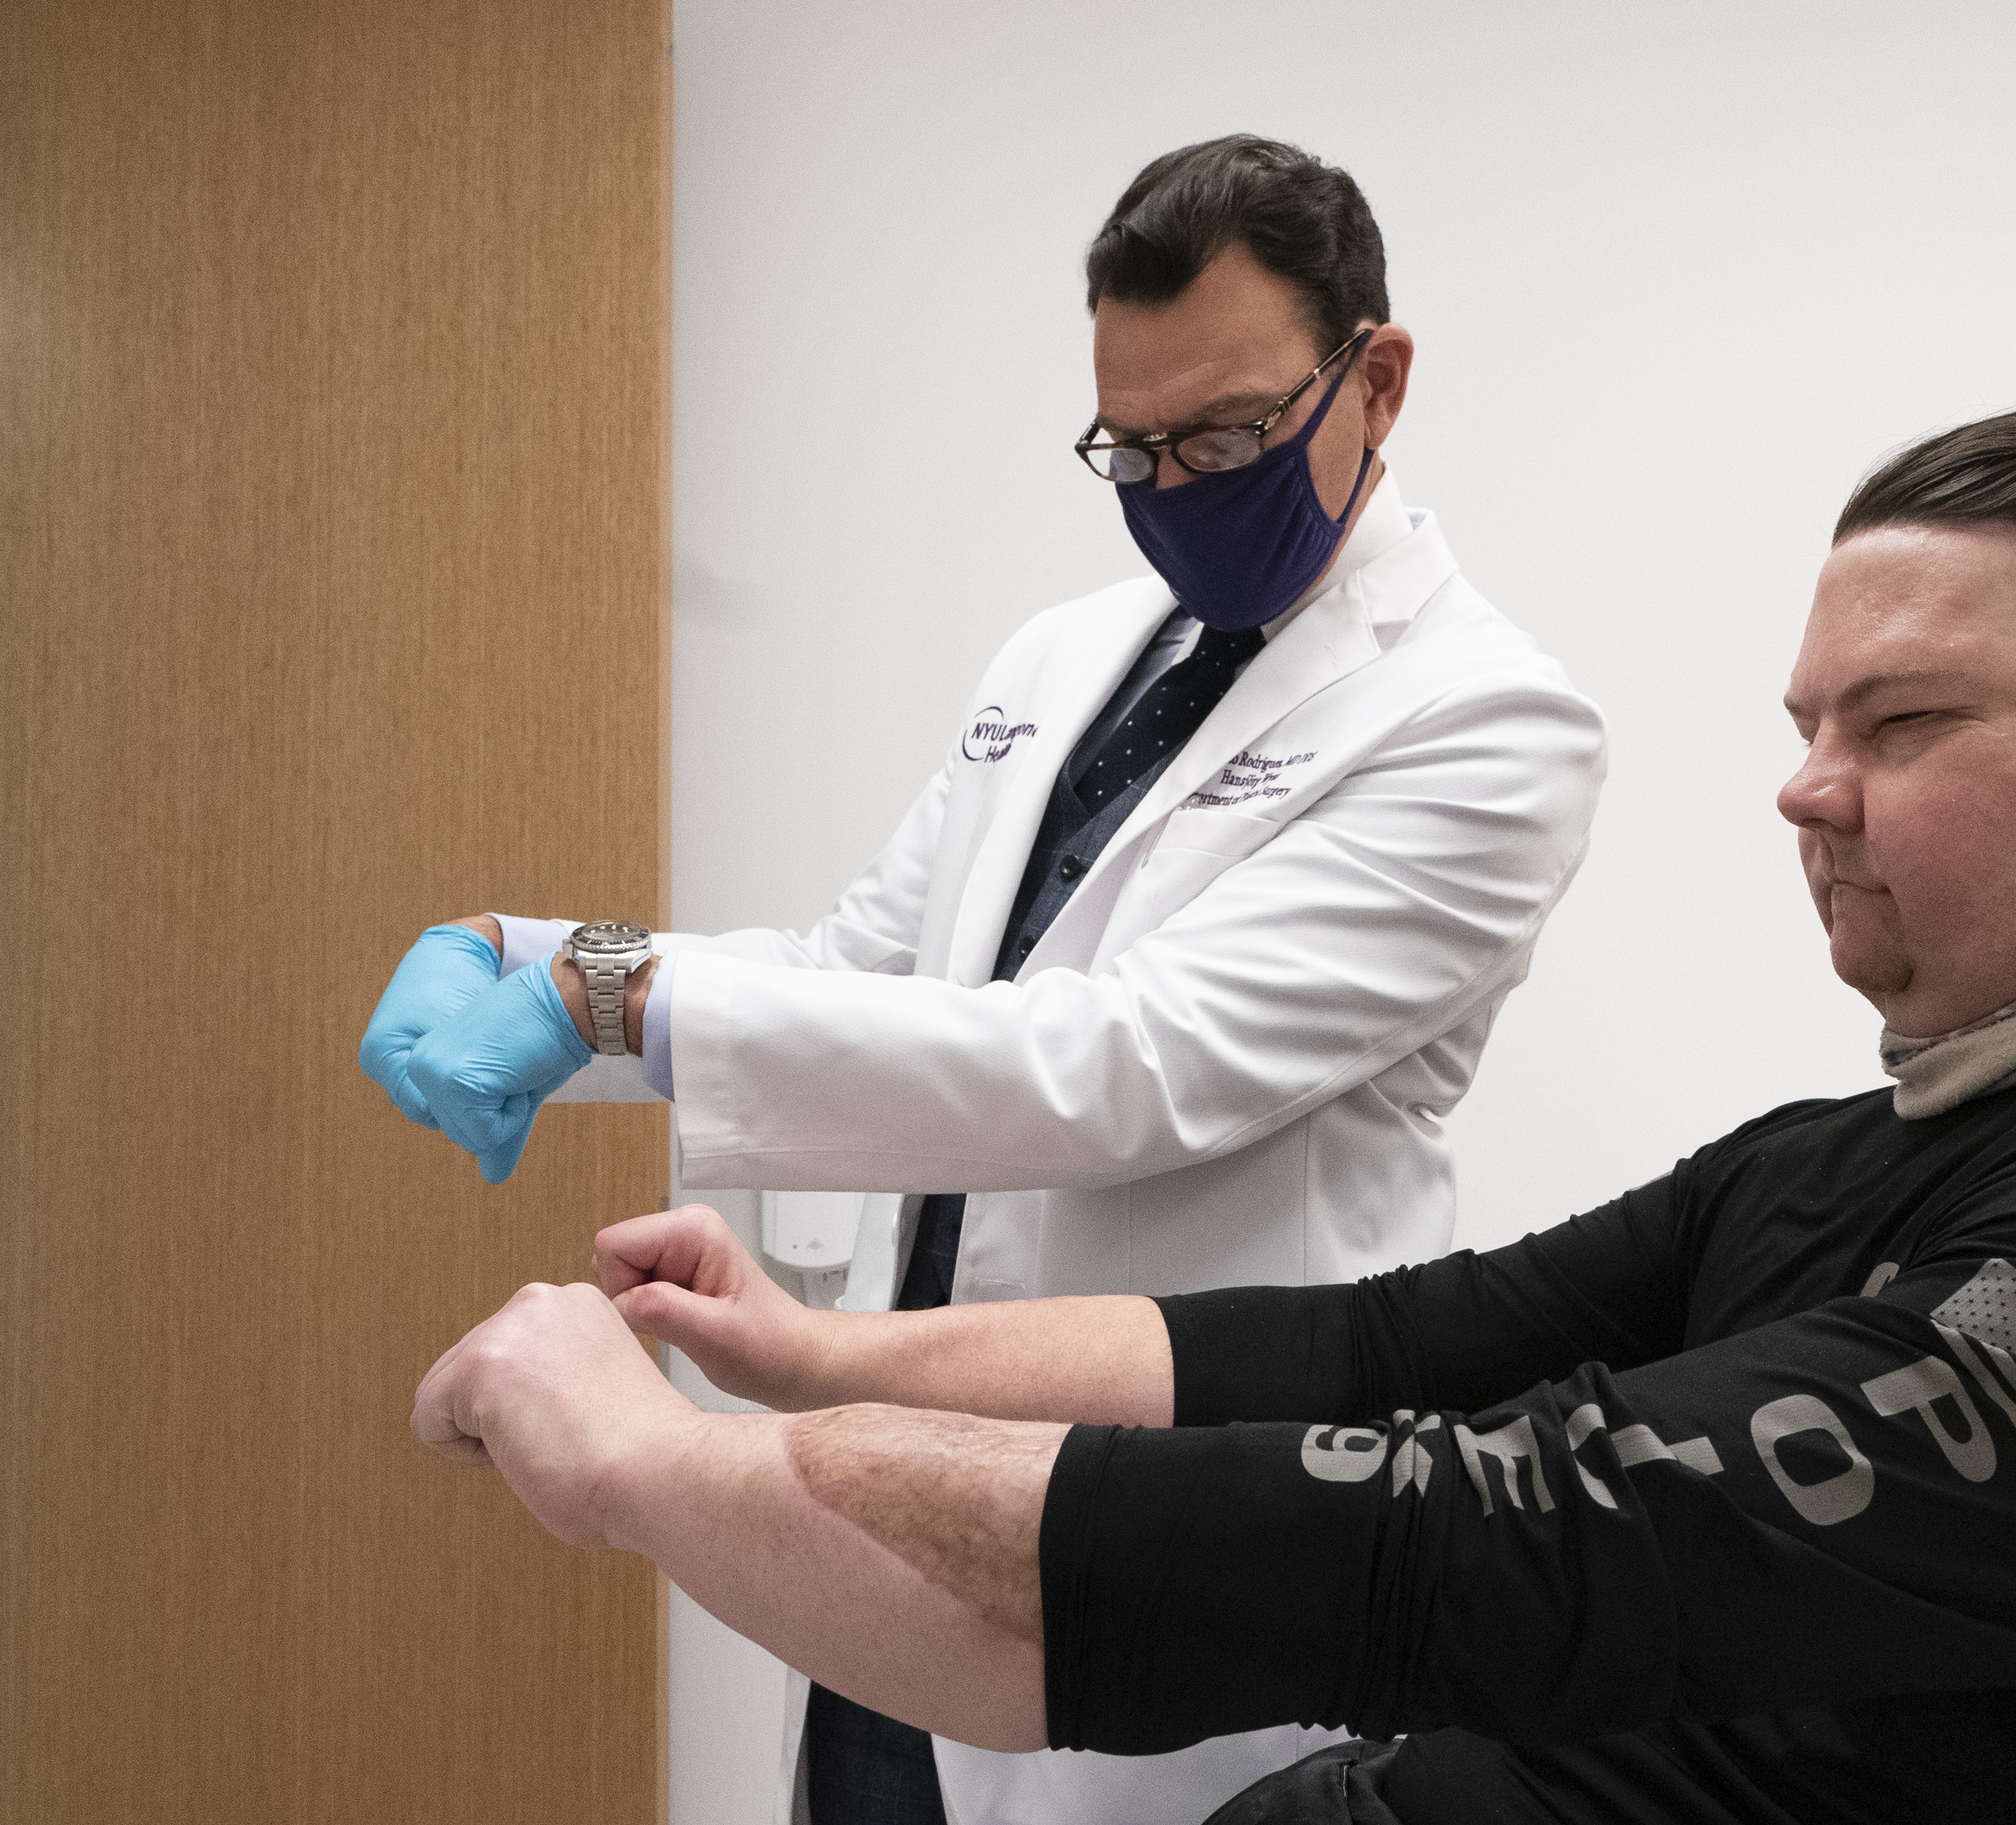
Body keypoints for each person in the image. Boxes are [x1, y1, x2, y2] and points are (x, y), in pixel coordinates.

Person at [414, 394, 2016, 1824]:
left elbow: (1442, 1538)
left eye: (1908, 721)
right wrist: (815, 1357)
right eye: (1812, 720)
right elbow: (1362, 1354)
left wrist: (637, 1466)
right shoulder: (1865, 1155)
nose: (1805, 789)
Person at [360, 135, 1606, 1825]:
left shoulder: (1482, 720)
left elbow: (1123, 1069)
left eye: (1226, 436)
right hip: (894, 1497)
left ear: (1374, 383)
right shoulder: (1066, 653)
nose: (1175, 490)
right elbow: (852, 970)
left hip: (1180, 1534)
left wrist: (623, 1005)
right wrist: (543, 961)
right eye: (1132, 447)